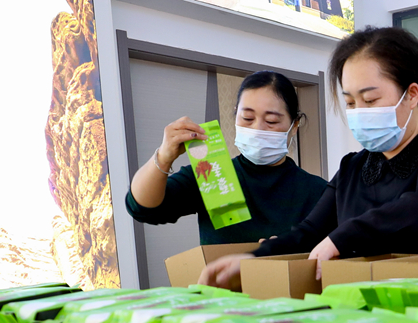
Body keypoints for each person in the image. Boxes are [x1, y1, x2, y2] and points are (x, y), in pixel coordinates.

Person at [199, 27, 418, 286]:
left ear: (411, 95)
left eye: (370, 100)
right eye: (350, 102)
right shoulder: (353, 167)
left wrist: (344, 236)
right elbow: (309, 232)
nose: (359, 111)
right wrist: (254, 257)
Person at [126, 71, 328, 246]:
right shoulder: (212, 173)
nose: (257, 128)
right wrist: (163, 157)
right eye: (247, 118)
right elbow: (142, 208)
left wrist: (294, 252)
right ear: (236, 115)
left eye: (271, 121)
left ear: (294, 125)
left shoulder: (318, 192)